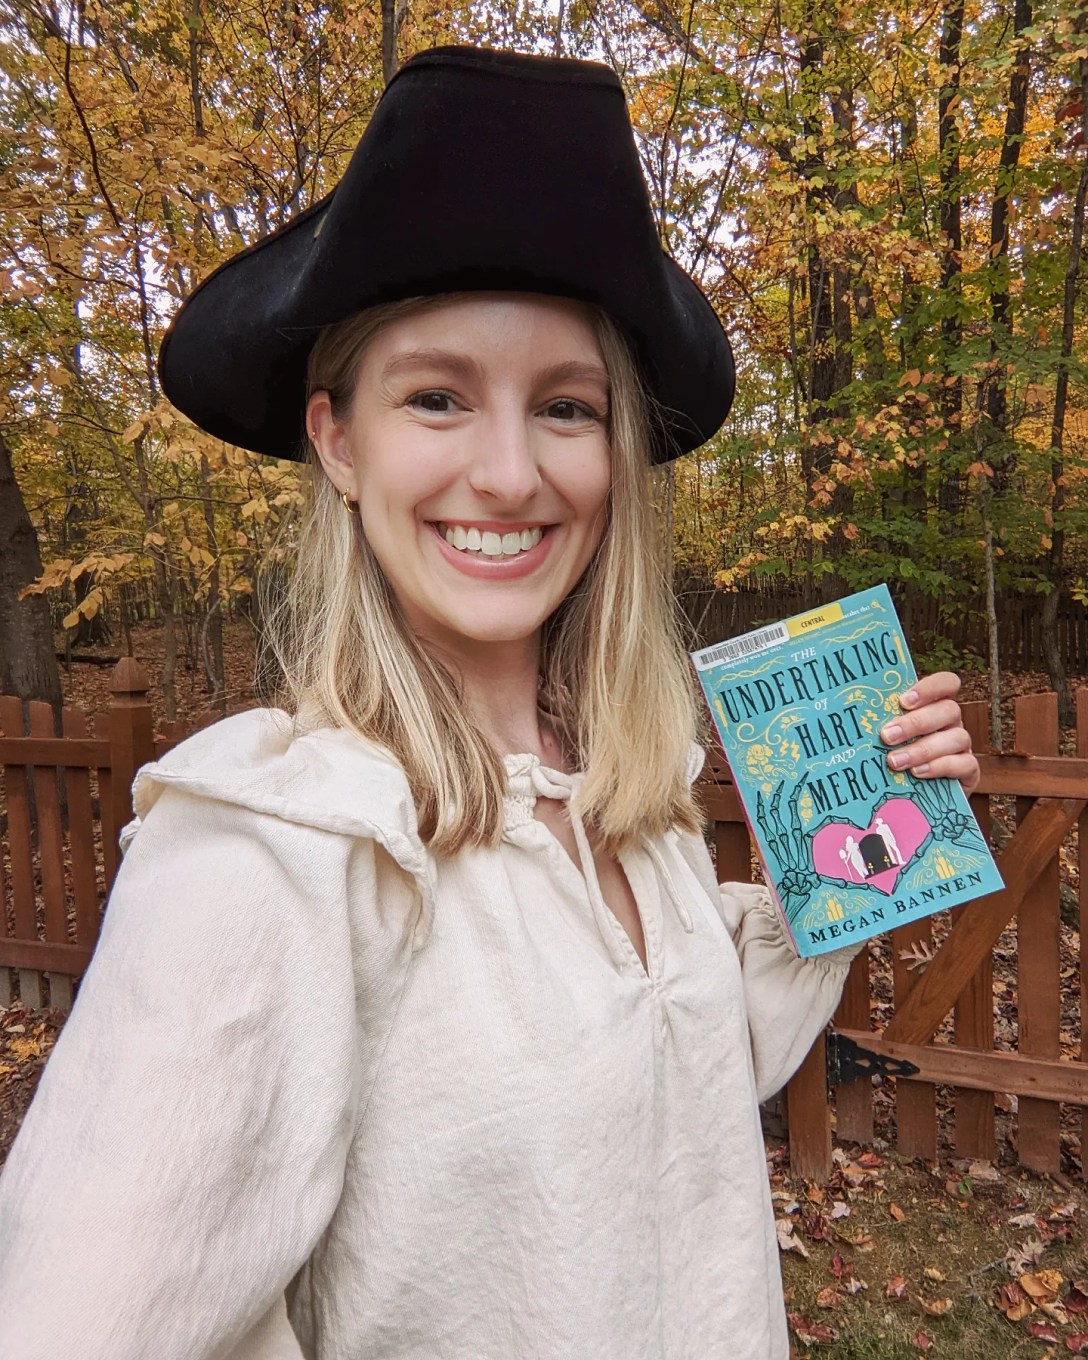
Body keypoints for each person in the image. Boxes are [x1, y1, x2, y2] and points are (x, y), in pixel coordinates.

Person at [0, 46, 979, 1359]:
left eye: (566, 408)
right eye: (439, 396)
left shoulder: (629, 796)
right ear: (340, 440)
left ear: (615, 457)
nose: (509, 472)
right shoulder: (277, 853)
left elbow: (676, 1074)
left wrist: (879, 823)